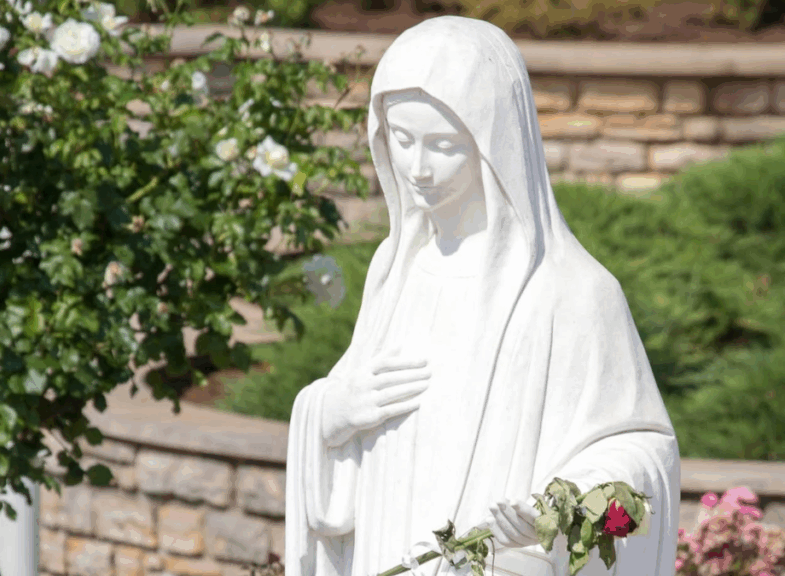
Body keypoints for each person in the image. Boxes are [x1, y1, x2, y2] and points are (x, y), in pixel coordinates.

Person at [285, 16, 680, 576]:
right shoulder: (395, 268)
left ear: (497, 144)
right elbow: (349, 405)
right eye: (401, 140)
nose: (418, 168)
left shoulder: (570, 292)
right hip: (385, 548)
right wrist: (329, 414)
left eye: (443, 145)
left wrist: (557, 509)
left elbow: (639, 448)